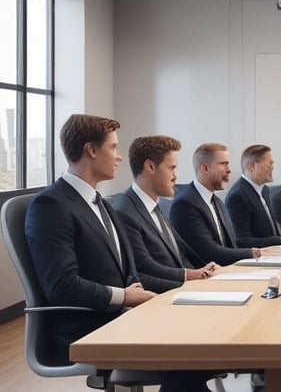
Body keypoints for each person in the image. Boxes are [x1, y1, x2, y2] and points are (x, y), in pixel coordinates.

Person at [25, 114, 211, 391]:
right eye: (113, 147)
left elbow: (131, 268)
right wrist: (125, 296)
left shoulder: (102, 203)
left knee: (200, 337)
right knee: (188, 350)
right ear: (91, 150)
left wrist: (144, 292)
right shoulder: (51, 205)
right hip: (88, 326)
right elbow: (61, 286)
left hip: (120, 315)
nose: (120, 156)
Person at [112, 135, 218, 294]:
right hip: (159, 303)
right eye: (171, 168)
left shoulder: (158, 206)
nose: (176, 175)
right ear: (150, 167)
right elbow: (143, 267)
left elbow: (180, 257)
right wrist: (191, 279)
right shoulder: (124, 212)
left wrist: (204, 272)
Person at [169, 143, 262, 266]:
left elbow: (230, 245)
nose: (229, 170)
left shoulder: (216, 201)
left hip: (226, 271)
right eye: (223, 164)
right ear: (206, 168)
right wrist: (252, 253)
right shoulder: (185, 204)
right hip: (205, 278)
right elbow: (209, 253)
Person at [225, 144, 281, 247]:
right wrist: (276, 240)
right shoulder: (238, 196)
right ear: (252, 166)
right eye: (269, 164)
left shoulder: (265, 190)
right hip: (258, 258)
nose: (272, 168)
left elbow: (271, 227)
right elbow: (242, 241)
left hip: (275, 251)